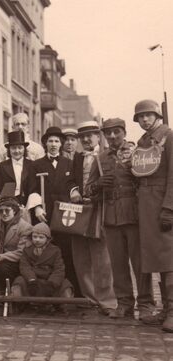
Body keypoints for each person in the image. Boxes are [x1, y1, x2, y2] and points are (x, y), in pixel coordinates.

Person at [86, 117, 156, 319]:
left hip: (134, 216)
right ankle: (124, 303)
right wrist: (98, 184)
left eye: (116, 131)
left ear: (124, 132)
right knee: (118, 264)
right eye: (108, 133)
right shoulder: (100, 159)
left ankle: (146, 304)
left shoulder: (137, 153)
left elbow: (149, 183)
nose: (112, 136)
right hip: (111, 218)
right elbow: (87, 190)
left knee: (140, 264)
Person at [132, 100, 173, 332]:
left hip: (162, 204)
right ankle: (166, 309)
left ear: (158, 116)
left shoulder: (170, 137)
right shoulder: (144, 142)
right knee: (155, 258)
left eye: (148, 115)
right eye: (140, 116)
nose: (144, 119)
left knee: (169, 259)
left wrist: (169, 208)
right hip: (146, 205)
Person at [70, 120, 117, 316]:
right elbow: (71, 179)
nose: (86, 140)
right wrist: (73, 190)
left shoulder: (106, 155)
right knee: (81, 256)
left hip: (100, 208)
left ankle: (107, 301)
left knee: (102, 258)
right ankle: (90, 299)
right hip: (79, 209)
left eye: (90, 135)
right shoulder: (78, 157)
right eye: (82, 137)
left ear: (98, 136)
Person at [30, 126, 81, 296]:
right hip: (45, 213)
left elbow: (73, 184)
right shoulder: (36, 165)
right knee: (45, 251)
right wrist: (37, 207)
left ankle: (68, 290)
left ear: (61, 144)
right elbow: (31, 188)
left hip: (64, 214)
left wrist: (74, 191)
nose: (53, 144)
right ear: (45, 143)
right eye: (50, 141)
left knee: (66, 251)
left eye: (56, 141)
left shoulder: (69, 164)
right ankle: (43, 291)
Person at [11, 223, 74, 313]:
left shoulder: (55, 251)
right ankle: (20, 303)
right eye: (35, 237)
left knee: (65, 285)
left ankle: (61, 304)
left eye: (41, 237)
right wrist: (31, 279)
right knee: (19, 282)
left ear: (47, 239)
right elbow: (24, 266)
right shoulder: (27, 250)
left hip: (48, 279)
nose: (37, 240)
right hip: (33, 279)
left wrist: (52, 283)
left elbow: (59, 269)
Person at [0, 197, 32, 291]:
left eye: (7, 210)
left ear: (14, 211)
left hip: (16, 263)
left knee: (1, 268)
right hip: (2, 262)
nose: (4, 213)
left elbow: (21, 253)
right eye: (1, 211)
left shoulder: (25, 227)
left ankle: (2, 292)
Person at [0, 131, 38, 208]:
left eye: (20, 148)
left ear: (24, 149)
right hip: (7, 205)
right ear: (9, 150)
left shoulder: (32, 165)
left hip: (28, 204)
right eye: (13, 148)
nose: (17, 151)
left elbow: (34, 188)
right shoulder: (0, 167)